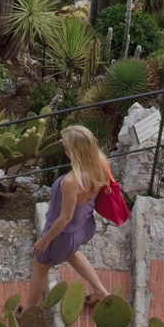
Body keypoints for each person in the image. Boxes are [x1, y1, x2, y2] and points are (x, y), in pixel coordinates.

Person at [27, 125, 112, 309]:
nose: (64, 151)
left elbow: (64, 218)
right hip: (82, 226)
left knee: (40, 266)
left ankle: (31, 307)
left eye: (66, 148)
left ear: (75, 151)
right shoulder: (100, 163)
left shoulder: (72, 181)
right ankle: (101, 292)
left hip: (63, 234)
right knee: (72, 254)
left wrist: (44, 241)